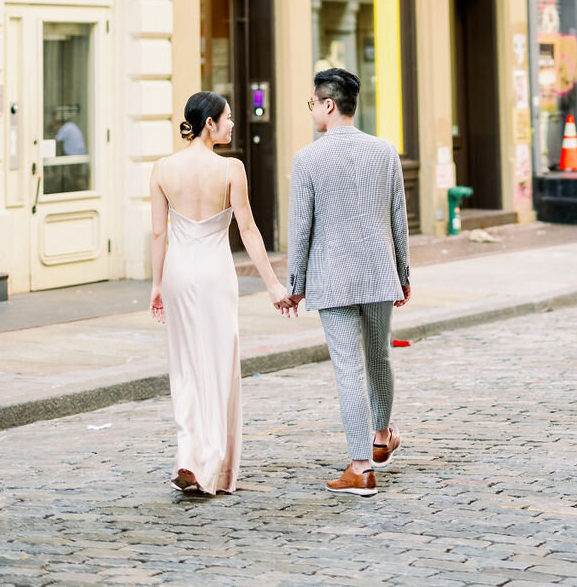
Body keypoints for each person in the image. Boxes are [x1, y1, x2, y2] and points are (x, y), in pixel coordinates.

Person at [149, 91, 296, 496]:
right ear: (209, 124)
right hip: (215, 273)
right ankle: (210, 465)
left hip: (179, 271)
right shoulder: (232, 169)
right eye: (228, 118)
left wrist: (157, 284)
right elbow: (247, 231)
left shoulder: (162, 168)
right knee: (217, 367)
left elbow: (159, 233)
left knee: (184, 368)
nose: (233, 124)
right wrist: (272, 285)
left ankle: (188, 456)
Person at [287, 67, 410, 498]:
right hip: (379, 270)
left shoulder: (308, 159)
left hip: (333, 276)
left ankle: (360, 468)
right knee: (378, 359)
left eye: (313, 104)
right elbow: (400, 221)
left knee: (349, 369)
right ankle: (380, 438)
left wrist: (295, 282)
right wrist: (404, 275)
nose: (313, 112)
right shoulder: (384, 152)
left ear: (328, 105)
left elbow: (300, 229)